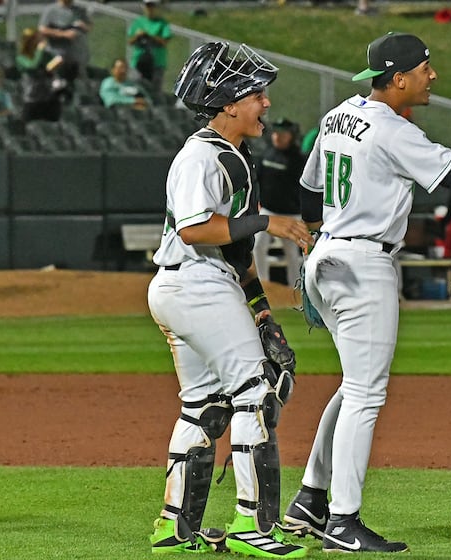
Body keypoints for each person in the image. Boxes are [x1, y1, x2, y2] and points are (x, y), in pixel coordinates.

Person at [281, 31, 451, 553]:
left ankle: (310, 499)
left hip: (329, 254)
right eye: (424, 68)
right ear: (398, 78)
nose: (432, 75)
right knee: (367, 393)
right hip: (362, 262)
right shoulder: (390, 130)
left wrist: (314, 242)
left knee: (355, 385)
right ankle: (343, 522)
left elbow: (308, 188)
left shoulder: (337, 115)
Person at [146, 41, 314, 558]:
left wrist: (261, 311)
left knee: (204, 409)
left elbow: (235, 249)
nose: (266, 104)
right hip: (195, 284)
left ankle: (173, 529)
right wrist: (271, 221)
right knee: (257, 394)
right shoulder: (201, 155)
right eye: (255, 95)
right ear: (227, 103)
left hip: (197, 285)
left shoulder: (234, 155)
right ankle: (253, 527)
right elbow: (198, 231)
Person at [252, 118, 306, 285]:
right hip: (268, 212)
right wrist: (257, 203)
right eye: (276, 133)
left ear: (291, 136)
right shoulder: (267, 154)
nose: (278, 137)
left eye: (283, 134)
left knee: (291, 253)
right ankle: (263, 284)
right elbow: (257, 180)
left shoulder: (298, 160)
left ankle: (295, 289)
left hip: (291, 215)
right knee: (258, 247)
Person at [16, 28, 65, 123]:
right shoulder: (21, 57)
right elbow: (33, 65)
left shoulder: (44, 55)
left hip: (47, 98)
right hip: (32, 99)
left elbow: (51, 66)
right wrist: (39, 50)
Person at [38, 0, 91, 85]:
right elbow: (42, 29)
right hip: (57, 55)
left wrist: (82, 26)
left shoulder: (79, 10)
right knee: (58, 82)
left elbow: (89, 27)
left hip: (76, 54)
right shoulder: (51, 10)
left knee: (79, 82)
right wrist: (63, 34)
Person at [127, 0, 173, 92]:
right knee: (137, 89)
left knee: (155, 91)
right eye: (148, 6)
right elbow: (130, 41)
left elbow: (164, 42)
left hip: (156, 63)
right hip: (138, 62)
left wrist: (149, 35)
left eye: (152, 6)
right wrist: (138, 36)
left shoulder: (162, 23)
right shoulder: (138, 22)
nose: (150, 9)